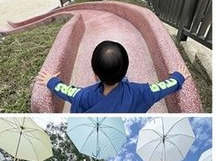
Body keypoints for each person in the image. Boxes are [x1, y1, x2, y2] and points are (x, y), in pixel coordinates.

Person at [37, 40, 189, 113]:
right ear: (126, 69)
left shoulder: (83, 95)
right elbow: (162, 87)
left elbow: (66, 91)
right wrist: (179, 77)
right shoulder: (141, 92)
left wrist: (51, 81)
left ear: (95, 74)